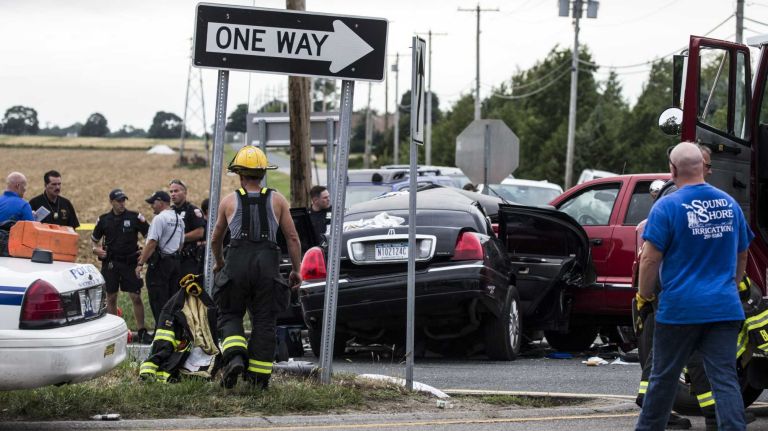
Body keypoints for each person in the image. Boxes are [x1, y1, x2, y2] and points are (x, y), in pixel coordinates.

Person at [635, 142, 754, 430]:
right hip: (723, 308)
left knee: (663, 378)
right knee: (724, 379)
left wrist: (645, 295)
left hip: (680, 310)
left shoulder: (667, 206)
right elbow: (742, 254)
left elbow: (649, 259)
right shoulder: (729, 204)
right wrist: (730, 285)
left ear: (673, 170)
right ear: (703, 167)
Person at [211, 145, 302, 390]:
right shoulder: (278, 200)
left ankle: (235, 358)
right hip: (267, 268)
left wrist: (220, 263)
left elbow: (216, 239)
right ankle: (258, 380)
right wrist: (296, 270)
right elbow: (293, 238)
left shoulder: (229, 201)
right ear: (263, 173)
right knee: (264, 321)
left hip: (236, 266)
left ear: (240, 174)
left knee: (230, 313)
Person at [92, 189, 152, 344]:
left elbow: (150, 236)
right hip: (111, 263)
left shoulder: (134, 217)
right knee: (111, 297)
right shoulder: (104, 220)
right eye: (119, 201)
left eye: (123, 200)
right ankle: (115, 332)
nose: (122, 203)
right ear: (111, 202)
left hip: (130, 263)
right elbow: (94, 240)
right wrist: (95, 250)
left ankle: (142, 331)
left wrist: (144, 253)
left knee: (136, 297)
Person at [136, 191, 184, 323]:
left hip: (160, 266)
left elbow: (152, 243)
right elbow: (180, 244)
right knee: (172, 300)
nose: (151, 205)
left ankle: (161, 330)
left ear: (161, 202)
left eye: (153, 202)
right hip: (175, 263)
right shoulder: (179, 219)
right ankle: (172, 329)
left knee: (158, 301)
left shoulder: (159, 218)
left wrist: (140, 263)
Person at [169, 179, 206, 278]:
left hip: (187, 259)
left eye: (176, 191)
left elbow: (200, 232)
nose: (173, 194)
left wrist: (178, 238)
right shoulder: (169, 211)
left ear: (185, 192)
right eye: (171, 192)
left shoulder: (192, 210)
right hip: (170, 259)